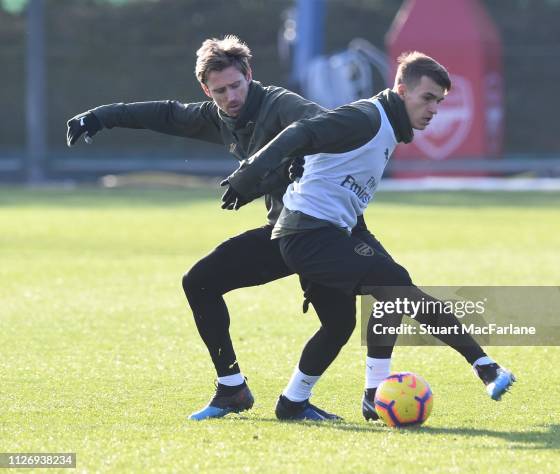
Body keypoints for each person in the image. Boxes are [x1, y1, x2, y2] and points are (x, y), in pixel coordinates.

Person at [66, 35, 386, 421]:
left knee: (343, 321)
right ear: (207, 89)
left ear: (250, 75)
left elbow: (326, 129)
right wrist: (100, 117)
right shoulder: (217, 117)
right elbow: (166, 114)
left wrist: (276, 171)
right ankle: (232, 388)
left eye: (236, 85)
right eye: (219, 91)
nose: (230, 97)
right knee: (199, 281)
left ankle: (316, 399)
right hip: (284, 232)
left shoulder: (282, 104)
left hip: (326, 232)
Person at [222, 51, 515, 420]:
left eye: (439, 102)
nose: (434, 109)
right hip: (306, 234)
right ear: (401, 90)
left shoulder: (389, 126)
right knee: (395, 284)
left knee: (344, 321)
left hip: (332, 231)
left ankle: (294, 402)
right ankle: (482, 366)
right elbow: (300, 132)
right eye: (427, 98)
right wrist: (251, 173)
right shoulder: (365, 117)